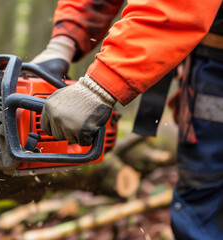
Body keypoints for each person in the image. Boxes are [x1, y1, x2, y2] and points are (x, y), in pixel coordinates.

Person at [32, 0, 223, 239]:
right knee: (203, 198)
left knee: (206, 207)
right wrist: (64, 40)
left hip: (214, 61)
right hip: (208, 60)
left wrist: (100, 86)